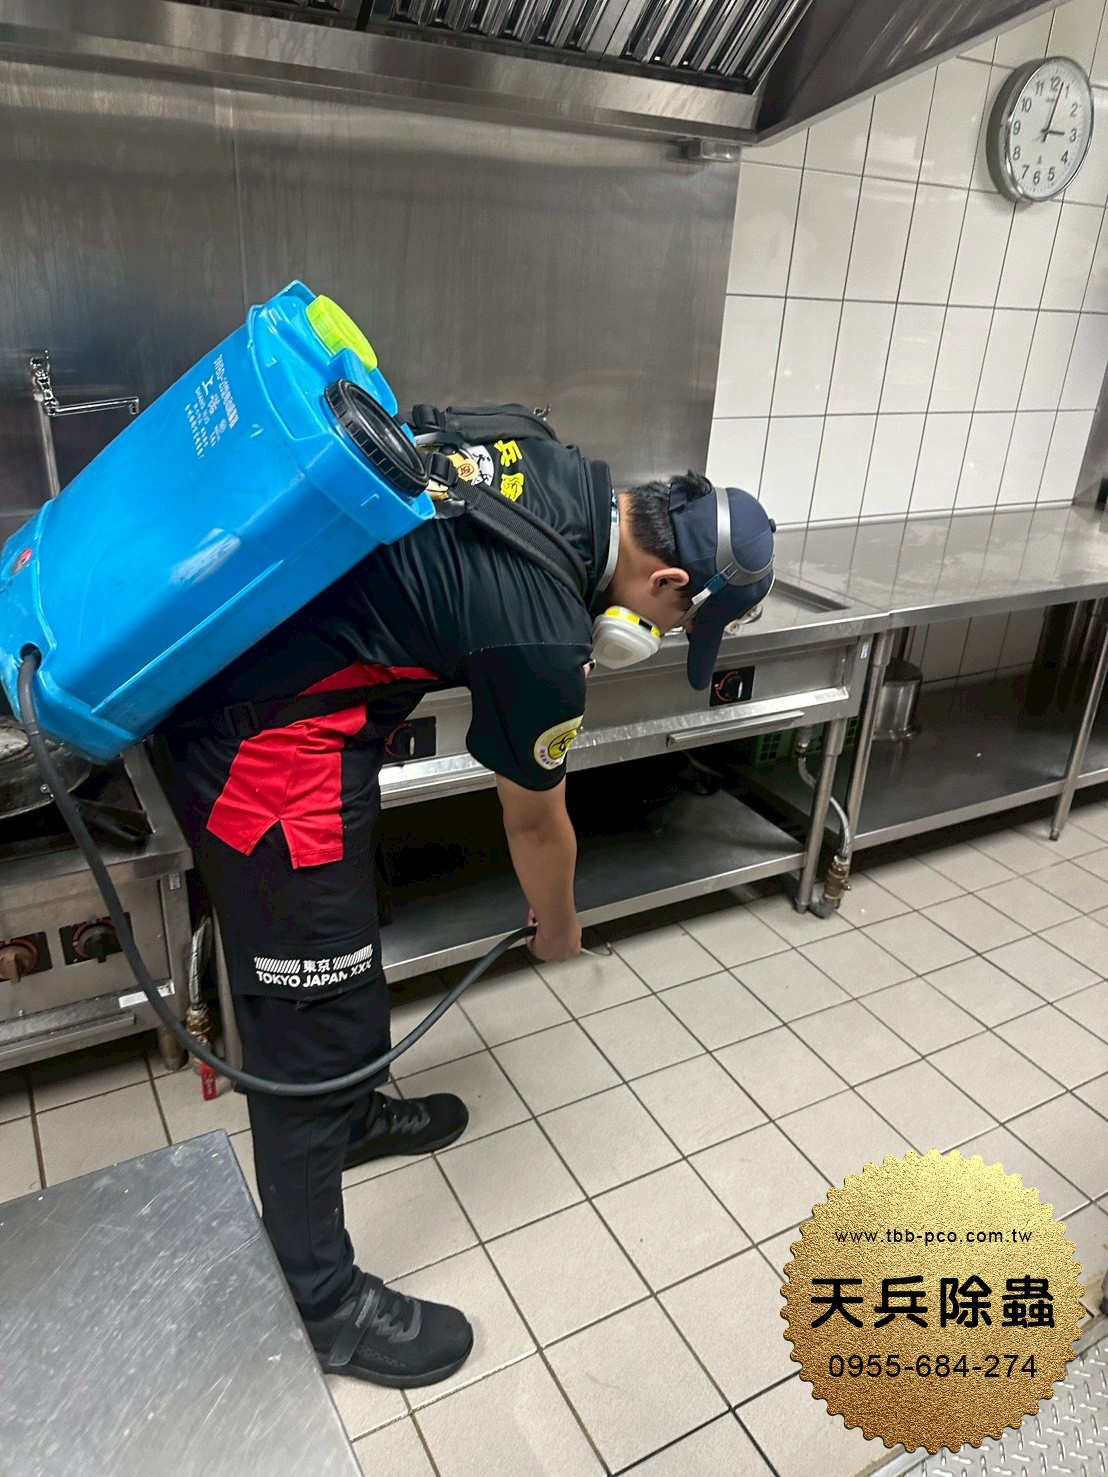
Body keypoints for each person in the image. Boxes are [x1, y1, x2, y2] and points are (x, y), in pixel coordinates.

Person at [154, 418, 774, 1390]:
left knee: (341, 956)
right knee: (308, 1028)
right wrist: (558, 925)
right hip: (264, 747)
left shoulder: (541, 451)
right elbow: (535, 824)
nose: (658, 635)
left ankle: (352, 1119)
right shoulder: (544, 633)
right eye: (674, 621)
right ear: (663, 580)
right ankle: (322, 1307)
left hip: (304, 707)